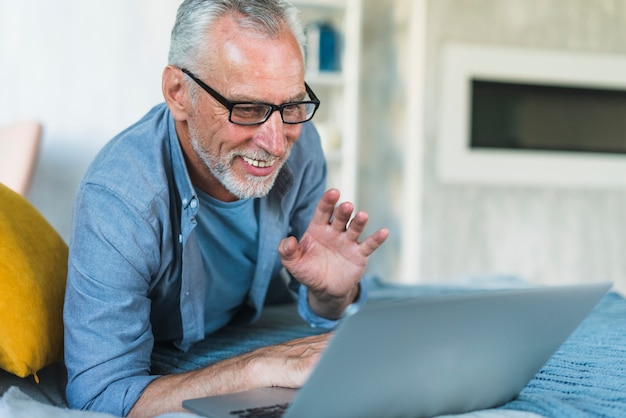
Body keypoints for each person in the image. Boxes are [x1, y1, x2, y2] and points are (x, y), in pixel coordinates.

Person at [63, 0, 389, 416]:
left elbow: (319, 302)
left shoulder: (301, 144)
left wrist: (332, 294)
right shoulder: (118, 199)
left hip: (252, 326)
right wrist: (254, 370)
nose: (275, 143)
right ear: (179, 94)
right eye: (248, 109)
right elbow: (98, 393)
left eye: (290, 106)